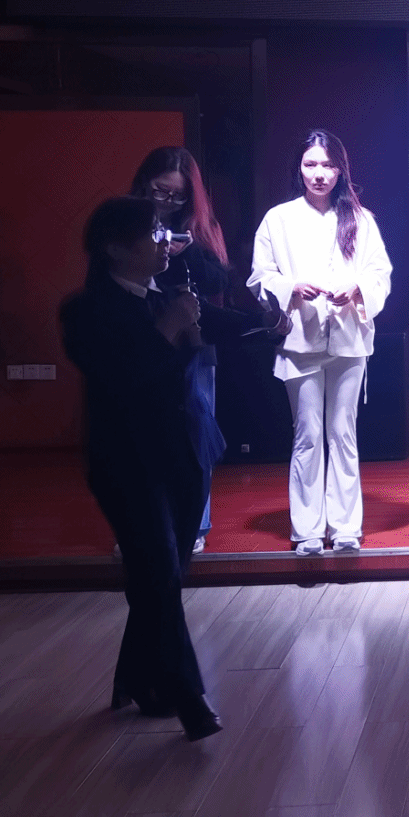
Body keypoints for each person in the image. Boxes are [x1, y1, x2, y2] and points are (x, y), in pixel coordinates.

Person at [59, 197, 221, 740]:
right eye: (152, 232)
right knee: (159, 573)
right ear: (114, 248)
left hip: (181, 455)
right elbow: (123, 378)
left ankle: (136, 676)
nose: (164, 241)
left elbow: (216, 329)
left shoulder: (165, 297)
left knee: (160, 577)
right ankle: (189, 700)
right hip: (125, 462)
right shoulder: (84, 311)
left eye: (162, 231)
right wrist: (168, 328)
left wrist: (268, 324)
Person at [249, 130, 394, 555]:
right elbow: (260, 276)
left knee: (342, 433)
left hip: (348, 339)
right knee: (308, 434)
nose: (319, 173)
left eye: (328, 165)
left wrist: (357, 288)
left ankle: (346, 527)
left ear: (340, 169)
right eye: (311, 164)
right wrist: (290, 287)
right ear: (299, 168)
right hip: (301, 340)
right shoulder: (278, 219)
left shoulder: (361, 219)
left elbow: (380, 273)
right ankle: (308, 529)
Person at [131, 146, 237, 553]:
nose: (169, 201)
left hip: (193, 343)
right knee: (141, 434)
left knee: (196, 430)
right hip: (142, 337)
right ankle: (145, 527)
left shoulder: (201, 226)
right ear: (145, 184)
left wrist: (187, 249)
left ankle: (194, 525)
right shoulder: (127, 219)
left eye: (178, 195)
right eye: (161, 191)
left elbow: (219, 282)